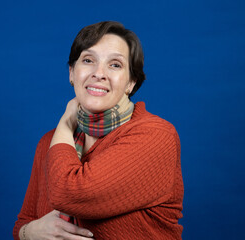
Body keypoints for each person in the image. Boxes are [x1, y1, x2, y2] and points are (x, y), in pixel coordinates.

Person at [13, 21, 184, 240]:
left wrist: (66, 122)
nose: (99, 73)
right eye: (88, 60)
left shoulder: (156, 135)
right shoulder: (50, 142)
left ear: (131, 82)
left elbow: (68, 193)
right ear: (72, 73)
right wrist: (30, 232)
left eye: (115, 65)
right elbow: (24, 221)